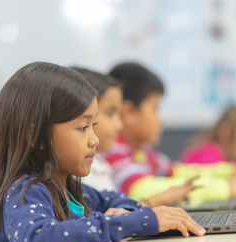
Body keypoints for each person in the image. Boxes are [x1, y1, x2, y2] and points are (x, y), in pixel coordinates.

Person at [0, 62, 205, 242]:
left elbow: (120, 199)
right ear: (36, 135)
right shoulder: (25, 191)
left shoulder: (74, 191)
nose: (94, 139)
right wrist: (132, 222)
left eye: (94, 125)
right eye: (82, 128)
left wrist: (127, 215)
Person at [106, 62, 236, 207]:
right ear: (129, 113)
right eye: (155, 109)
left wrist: (232, 171)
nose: (160, 119)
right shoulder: (113, 149)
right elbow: (141, 189)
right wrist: (225, 188)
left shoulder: (144, 153)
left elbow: (178, 171)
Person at [71, 67, 197, 207]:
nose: (119, 125)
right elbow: (109, 218)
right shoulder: (112, 153)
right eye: (110, 113)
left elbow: (113, 213)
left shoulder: (103, 164)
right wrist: (160, 199)